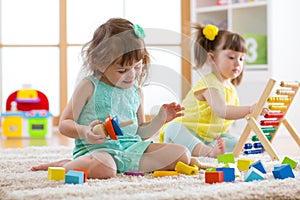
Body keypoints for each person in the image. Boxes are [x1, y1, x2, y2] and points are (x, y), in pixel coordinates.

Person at [31, 18, 190, 179]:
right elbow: (64, 124)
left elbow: (140, 133)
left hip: (131, 149)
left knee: (182, 155)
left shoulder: (136, 91)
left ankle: (124, 166)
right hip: (97, 150)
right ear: (100, 63)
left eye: (137, 67)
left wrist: (159, 120)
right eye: (122, 70)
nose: (132, 75)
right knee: (104, 169)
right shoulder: (88, 86)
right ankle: (65, 164)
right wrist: (85, 131)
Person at [159, 24, 256, 158]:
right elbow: (222, 111)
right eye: (231, 57)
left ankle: (207, 149)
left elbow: (225, 125)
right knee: (173, 128)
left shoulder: (231, 89)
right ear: (212, 58)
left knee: (239, 142)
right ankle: (207, 152)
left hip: (209, 138)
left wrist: (227, 137)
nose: (238, 63)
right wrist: (250, 109)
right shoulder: (210, 83)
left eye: (241, 59)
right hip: (188, 132)